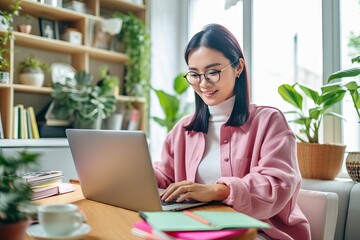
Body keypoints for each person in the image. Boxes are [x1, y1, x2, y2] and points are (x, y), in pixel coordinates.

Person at [153, 23, 311, 240]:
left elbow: (277, 184)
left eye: (213, 72)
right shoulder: (183, 129)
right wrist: (137, 174)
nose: (203, 83)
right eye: (194, 74)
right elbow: (166, 175)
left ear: (238, 68)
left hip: (260, 232)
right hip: (199, 227)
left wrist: (218, 190)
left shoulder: (269, 121)